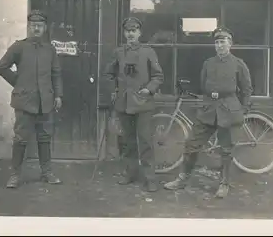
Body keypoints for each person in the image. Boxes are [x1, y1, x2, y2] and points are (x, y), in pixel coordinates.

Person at [164, 26, 253, 198]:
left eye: (223, 42)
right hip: (208, 109)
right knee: (192, 144)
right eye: (217, 42)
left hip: (229, 109)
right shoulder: (208, 63)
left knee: (226, 150)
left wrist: (242, 109)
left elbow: (247, 89)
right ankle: (182, 178)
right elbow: (203, 85)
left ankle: (224, 183)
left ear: (230, 44)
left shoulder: (238, 64)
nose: (219, 45)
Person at [0, 9, 64, 189]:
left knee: (44, 138)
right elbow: (1, 67)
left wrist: (58, 95)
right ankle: (15, 175)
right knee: (21, 139)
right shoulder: (19, 46)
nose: (36, 29)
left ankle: (47, 172)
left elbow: (56, 74)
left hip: (46, 102)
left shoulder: (50, 49)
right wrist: (18, 83)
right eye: (33, 26)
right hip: (25, 102)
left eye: (40, 26)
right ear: (28, 27)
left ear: (45, 28)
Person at [103, 17, 164, 192]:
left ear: (139, 33)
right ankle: (130, 173)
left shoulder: (148, 52)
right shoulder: (118, 53)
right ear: (124, 33)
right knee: (128, 142)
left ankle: (150, 178)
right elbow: (108, 74)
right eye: (128, 30)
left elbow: (158, 76)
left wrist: (149, 89)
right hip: (124, 103)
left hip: (143, 104)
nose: (130, 34)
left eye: (134, 30)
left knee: (145, 141)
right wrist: (114, 90)